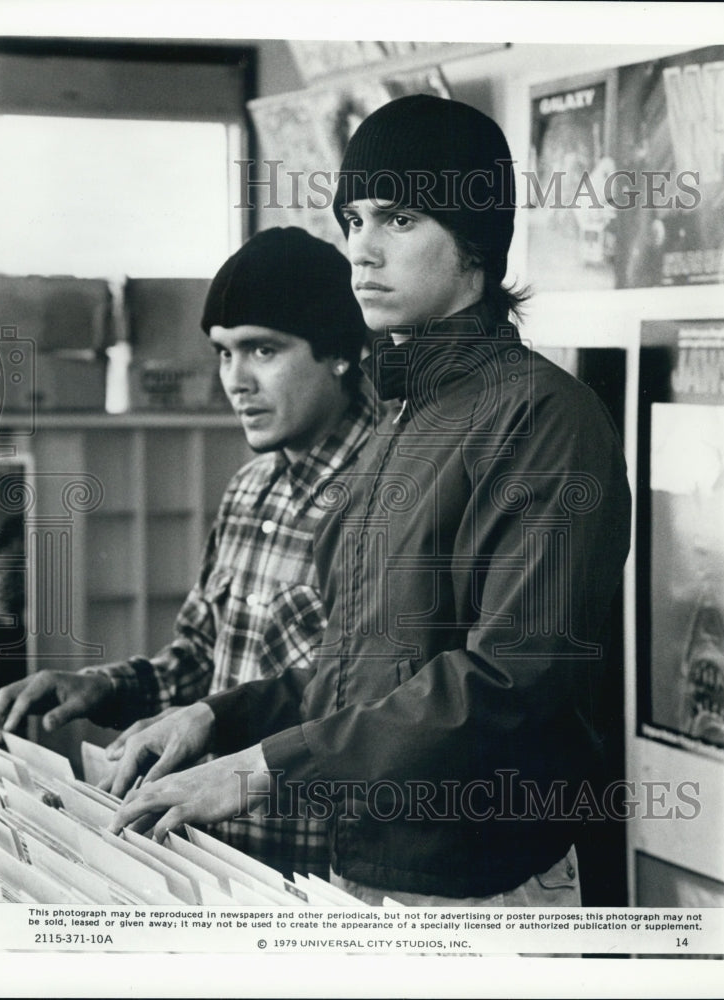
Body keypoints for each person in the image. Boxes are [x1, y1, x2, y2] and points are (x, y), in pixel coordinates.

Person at [109, 95, 632, 906]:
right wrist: (218, 717)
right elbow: (368, 668)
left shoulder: (546, 418)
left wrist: (261, 769)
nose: (360, 250)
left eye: (397, 219)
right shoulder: (403, 417)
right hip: (363, 872)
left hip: (481, 894)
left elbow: (509, 685)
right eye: (351, 220)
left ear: (474, 242)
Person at [0, 226, 373, 879]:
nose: (235, 381)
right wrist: (98, 686)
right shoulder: (249, 489)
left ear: (339, 352)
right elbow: (197, 660)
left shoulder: (394, 493)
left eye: (262, 351)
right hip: (220, 863)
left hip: (325, 879)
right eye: (223, 355)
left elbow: (373, 703)